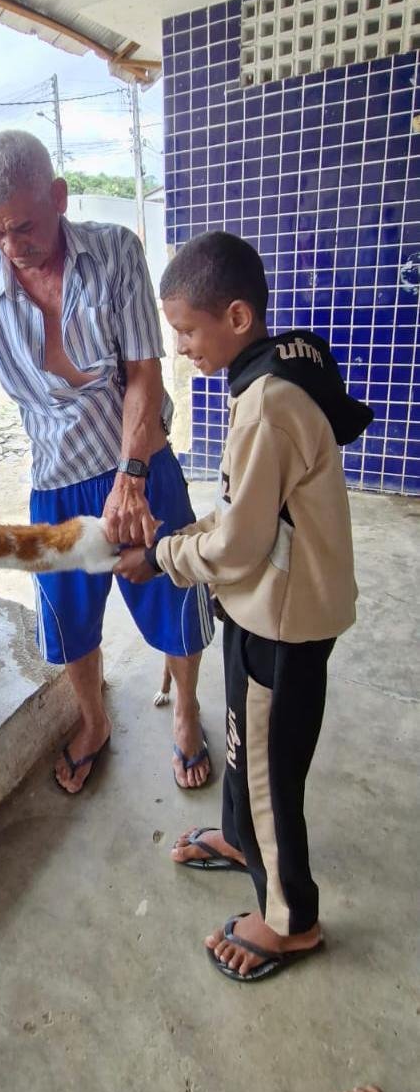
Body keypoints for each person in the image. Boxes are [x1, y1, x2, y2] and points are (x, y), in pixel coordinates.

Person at [0, 130, 214, 794]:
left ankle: (184, 713)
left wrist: (132, 477)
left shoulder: (114, 253)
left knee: (172, 595)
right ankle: (94, 721)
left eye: (25, 226)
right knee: (68, 621)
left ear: (59, 198)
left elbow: (141, 372)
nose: (13, 246)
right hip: (56, 480)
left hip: (140, 465)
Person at [115, 231, 372, 981]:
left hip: (283, 620)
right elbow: (238, 517)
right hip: (263, 607)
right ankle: (239, 839)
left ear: (235, 317)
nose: (182, 348)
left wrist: (162, 558)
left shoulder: (267, 404)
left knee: (267, 771)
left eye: (188, 332)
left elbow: (236, 548)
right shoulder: (266, 375)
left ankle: (291, 921)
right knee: (245, 742)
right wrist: (182, 538)